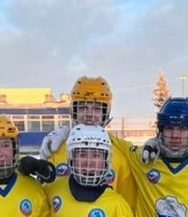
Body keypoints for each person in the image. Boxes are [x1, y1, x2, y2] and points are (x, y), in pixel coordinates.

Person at [37, 75, 139, 203]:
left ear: (105, 112)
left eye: (96, 108)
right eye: (83, 108)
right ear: (74, 110)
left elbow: (127, 206)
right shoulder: (56, 149)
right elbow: (42, 200)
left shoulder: (120, 157)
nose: (89, 114)